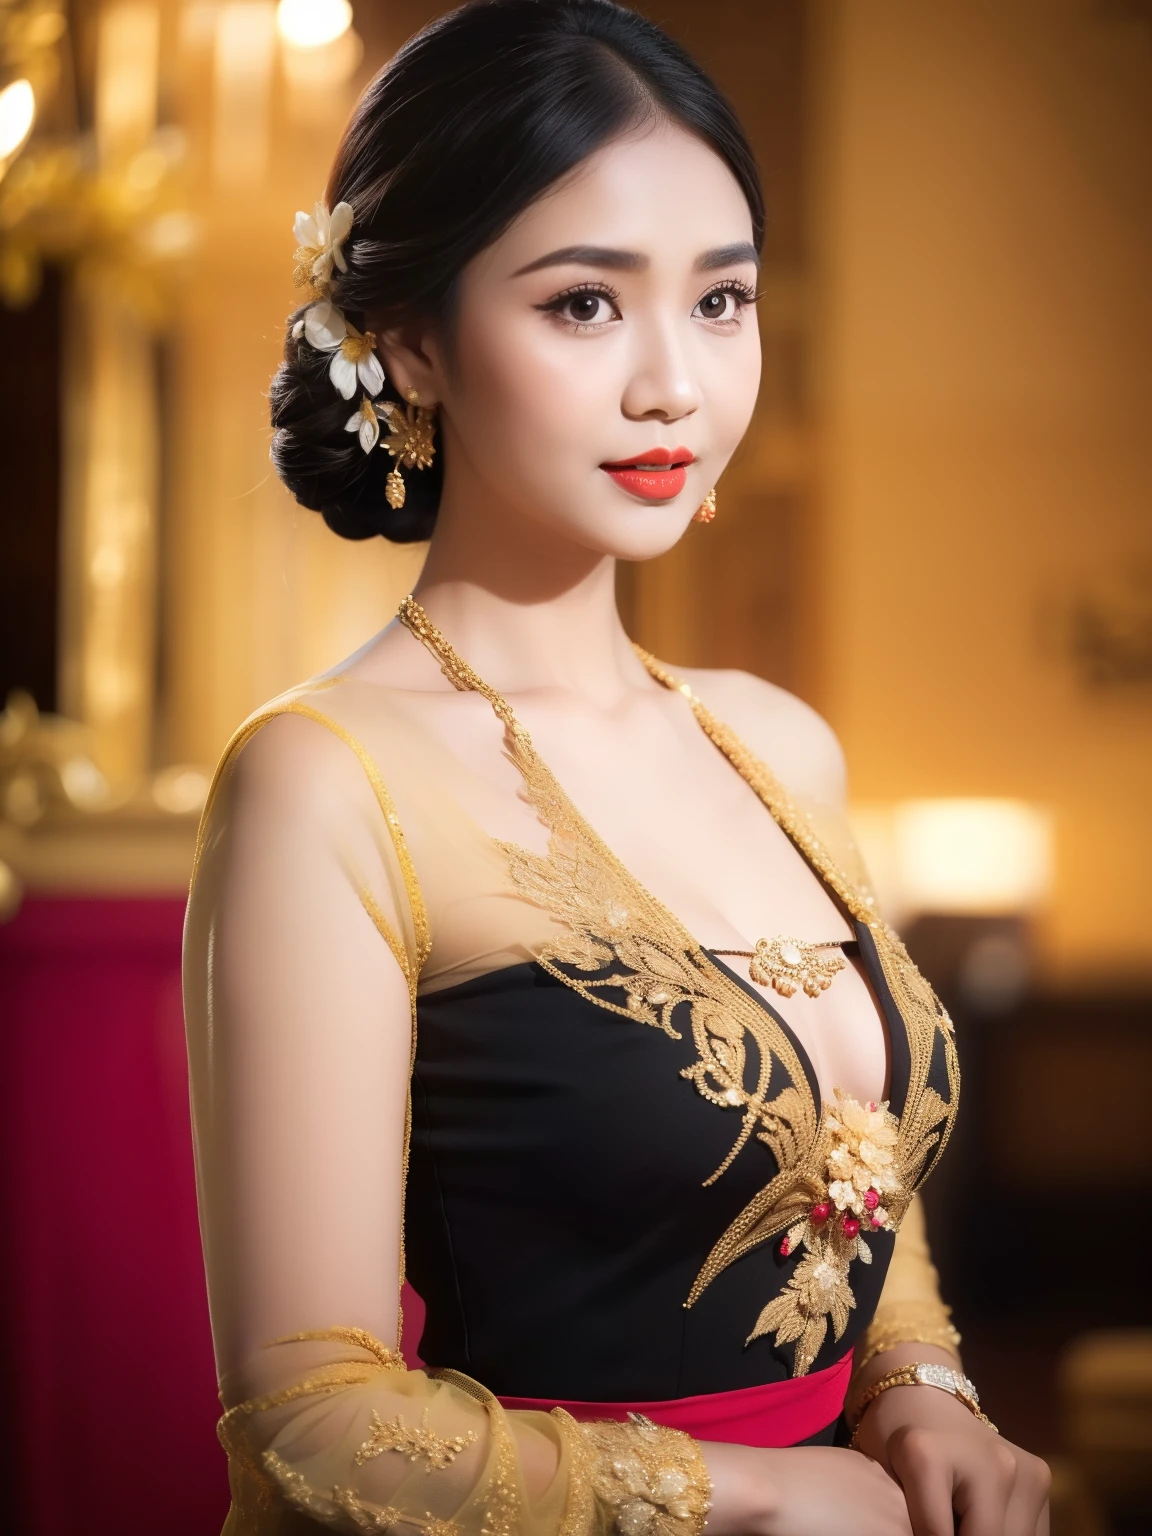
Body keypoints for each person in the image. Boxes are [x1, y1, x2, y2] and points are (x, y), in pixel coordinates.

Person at [183, 4, 1051, 1533]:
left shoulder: (775, 742)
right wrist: (763, 1499)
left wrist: (922, 1385)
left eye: (722, 302)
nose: (675, 384)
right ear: (413, 342)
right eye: (586, 304)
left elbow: (851, 1143)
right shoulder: (326, 780)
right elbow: (310, 1424)